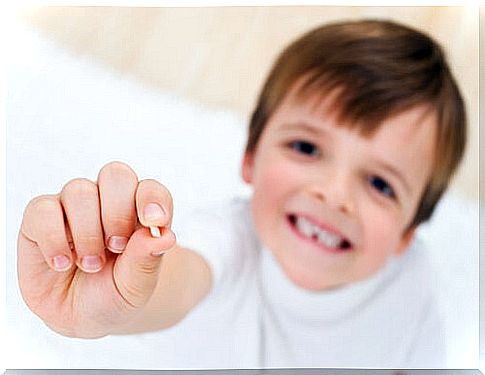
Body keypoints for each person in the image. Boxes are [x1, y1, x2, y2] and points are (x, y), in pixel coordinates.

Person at [17, 19, 466, 368]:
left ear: (409, 230)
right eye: (306, 147)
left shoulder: (413, 283)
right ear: (251, 155)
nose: (333, 195)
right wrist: (116, 303)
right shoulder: (225, 243)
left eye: (381, 184)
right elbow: (171, 282)